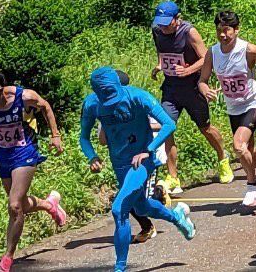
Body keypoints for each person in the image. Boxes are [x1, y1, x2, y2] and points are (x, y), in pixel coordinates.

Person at [79, 67, 197, 272]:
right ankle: (176, 217)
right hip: (120, 163)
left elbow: (169, 124)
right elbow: (84, 137)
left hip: (143, 160)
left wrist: (148, 150)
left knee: (119, 209)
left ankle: (120, 267)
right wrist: (92, 156)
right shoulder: (92, 104)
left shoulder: (138, 97)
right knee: (141, 207)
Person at [0, 71, 67, 272]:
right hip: (2, 156)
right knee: (20, 204)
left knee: (15, 205)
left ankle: (7, 258)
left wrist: (55, 135)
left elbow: (45, 107)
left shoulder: (25, 96)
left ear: (1, 91)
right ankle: (49, 205)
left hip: (24, 152)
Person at [197, 10, 256, 208]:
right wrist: (206, 90)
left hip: (252, 102)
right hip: (233, 107)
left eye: (227, 30)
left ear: (236, 30)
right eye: (219, 31)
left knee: (238, 145)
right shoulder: (213, 52)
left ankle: (252, 186)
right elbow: (202, 80)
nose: (223, 35)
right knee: (248, 149)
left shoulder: (247, 49)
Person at [149, 1, 232, 193]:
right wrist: (161, 65)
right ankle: (173, 177)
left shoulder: (189, 32)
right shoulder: (157, 30)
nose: (163, 26)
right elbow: (161, 51)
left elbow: (206, 57)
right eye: (160, 22)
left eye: (167, 22)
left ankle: (223, 158)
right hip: (170, 88)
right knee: (167, 127)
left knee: (205, 127)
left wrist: (188, 71)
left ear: (177, 19)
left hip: (193, 88)